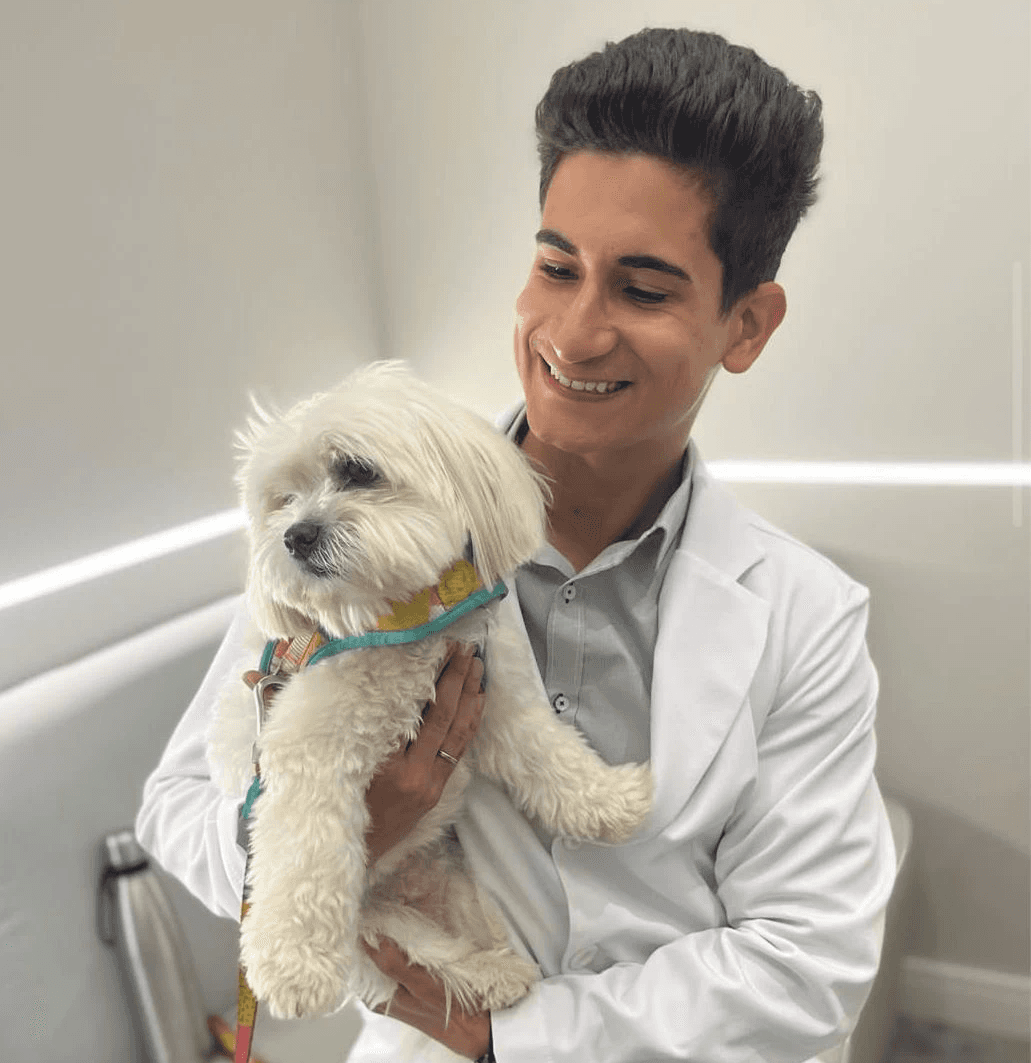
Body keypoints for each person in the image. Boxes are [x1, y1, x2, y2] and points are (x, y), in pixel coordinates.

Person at [136, 26, 897, 1063]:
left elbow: (805, 960)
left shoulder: (806, 614)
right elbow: (176, 803)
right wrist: (351, 828)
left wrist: (517, 1038)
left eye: (642, 288)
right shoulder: (358, 521)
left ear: (745, 324)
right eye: (554, 266)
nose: (572, 333)